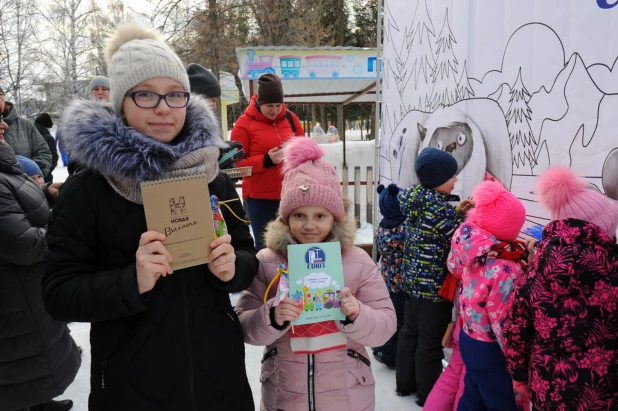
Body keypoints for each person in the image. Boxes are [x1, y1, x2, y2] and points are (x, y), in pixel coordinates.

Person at [42, 24, 256, 410]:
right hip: (133, 384)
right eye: (145, 95)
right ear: (121, 102)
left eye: (175, 95)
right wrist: (131, 280)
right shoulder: (87, 190)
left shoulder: (212, 177)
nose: (162, 107)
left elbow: (246, 254)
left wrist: (232, 268)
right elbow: (59, 295)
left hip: (218, 378)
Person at [236, 136, 396, 411]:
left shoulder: (357, 261)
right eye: (299, 215)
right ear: (285, 217)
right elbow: (244, 326)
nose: (309, 225)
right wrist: (272, 315)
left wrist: (357, 314)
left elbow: (385, 326)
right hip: (286, 393)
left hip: (346, 394)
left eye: (320, 216)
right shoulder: (267, 261)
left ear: (335, 218)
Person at [503, 167, 618, 411]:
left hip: (549, 389)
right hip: (605, 391)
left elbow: (515, 331)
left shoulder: (532, 276)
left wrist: (520, 376)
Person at [0, 118, 80, 411]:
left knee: (32, 360)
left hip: (24, 291)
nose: (5, 126)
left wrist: (45, 193)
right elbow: (23, 244)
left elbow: (10, 206)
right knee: (17, 368)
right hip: (11, 296)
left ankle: (40, 402)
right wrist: (71, 233)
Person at [396, 147, 472, 406]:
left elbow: (438, 224)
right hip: (432, 289)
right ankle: (427, 395)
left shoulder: (417, 199)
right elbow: (458, 236)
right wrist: (467, 219)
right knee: (430, 341)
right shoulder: (437, 209)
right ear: (438, 179)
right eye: (452, 176)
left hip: (412, 283)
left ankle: (404, 384)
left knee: (409, 333)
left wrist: (457, 212)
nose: (456, 180)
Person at [446, 181, 529, 411]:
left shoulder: (472, 250)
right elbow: (502, 321)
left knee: (473, 395)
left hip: (468, 336)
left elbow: (453, 267)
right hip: (491, 348)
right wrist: (516, 358)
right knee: (501, 402)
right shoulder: (505, 269)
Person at [231, 73, 304, 252]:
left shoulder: (290, 118)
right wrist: (266, 160)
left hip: (291, 195)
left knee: (294, 246)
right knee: (265, 249)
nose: (275, 110)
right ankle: (266, 281)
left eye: (278, 105)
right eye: (269, 105)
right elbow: (236, 166)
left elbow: (305, 148)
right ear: (258, 103)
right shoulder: (243, 124)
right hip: (260, 199)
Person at [371, 183, 406, 368]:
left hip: (387, 282)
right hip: (400, 284)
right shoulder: (402, 229)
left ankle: (381, 348)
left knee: (390, 318)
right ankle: (389, 354)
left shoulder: (383, 226)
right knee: (399, 322)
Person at [0, 86, 52, 178]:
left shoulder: (25, 125)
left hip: (28, 188)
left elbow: (44, 153)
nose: (4, 126)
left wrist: (33, 175)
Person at [34, 113, 59, 183]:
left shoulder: (29, 134)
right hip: (45, 174)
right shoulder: (48, 138)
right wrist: (48, 170)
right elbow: (54, 157)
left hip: (30, 175)